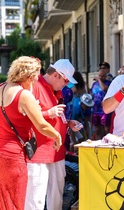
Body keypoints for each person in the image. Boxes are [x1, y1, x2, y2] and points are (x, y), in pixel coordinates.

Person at [0, 56, 62, 210]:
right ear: (29, 76)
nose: (38, 78)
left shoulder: (1, 88)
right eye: (37, 75)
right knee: (15, 200)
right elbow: (42, 125)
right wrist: (57, 135)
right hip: (13, 156)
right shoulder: (24, 95)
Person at [25, 59, 81, 210]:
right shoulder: (34, 87)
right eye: (66, 81)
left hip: (56, 152)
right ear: (56, 75)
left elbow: (57, 115)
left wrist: (68, 122)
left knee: (56, 197)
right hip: (39, 153)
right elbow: (25, 117)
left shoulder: (57, 90)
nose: (67, 86)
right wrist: (48, 113)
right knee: (35, 198)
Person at [90, 69, 112, 139]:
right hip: (96, 109)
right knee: (97, 129)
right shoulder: (94, 84)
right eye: (99, 76)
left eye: (102, 76)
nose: (100, 77)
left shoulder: (109, 83)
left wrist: (99, 80)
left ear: (106, 76)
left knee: (106, 129)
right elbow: (92, 93)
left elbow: (104, 89)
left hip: (105, 110)